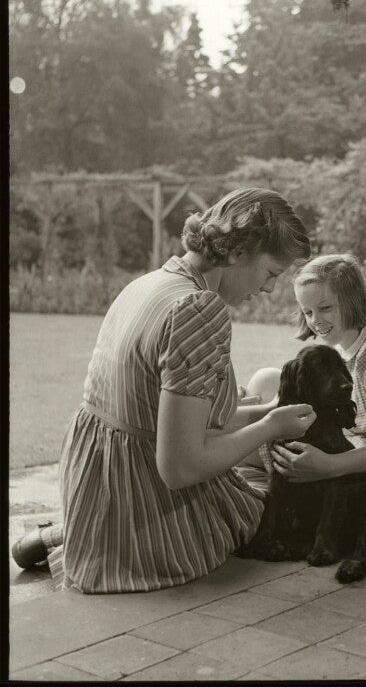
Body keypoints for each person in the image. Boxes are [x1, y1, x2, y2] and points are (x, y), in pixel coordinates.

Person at [11, 188, 316, 593]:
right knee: (273, 506)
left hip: (97, 484)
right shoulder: (198, 309)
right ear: (241, 252)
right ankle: (83, 541)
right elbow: (180, 468)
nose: (268, 290)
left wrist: (268, 412)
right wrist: (269, 429)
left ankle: (71, 535)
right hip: (144, 504)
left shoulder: (152, 282)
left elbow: (165, 419)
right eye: (272, 274)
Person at [244, 254, 366, 524]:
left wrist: (330, 466)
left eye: (325, 308)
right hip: (356, 445)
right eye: (307, 311)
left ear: (352, 301)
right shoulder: (341, 348)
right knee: (267, 381)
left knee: (256, 444)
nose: (315, 320)